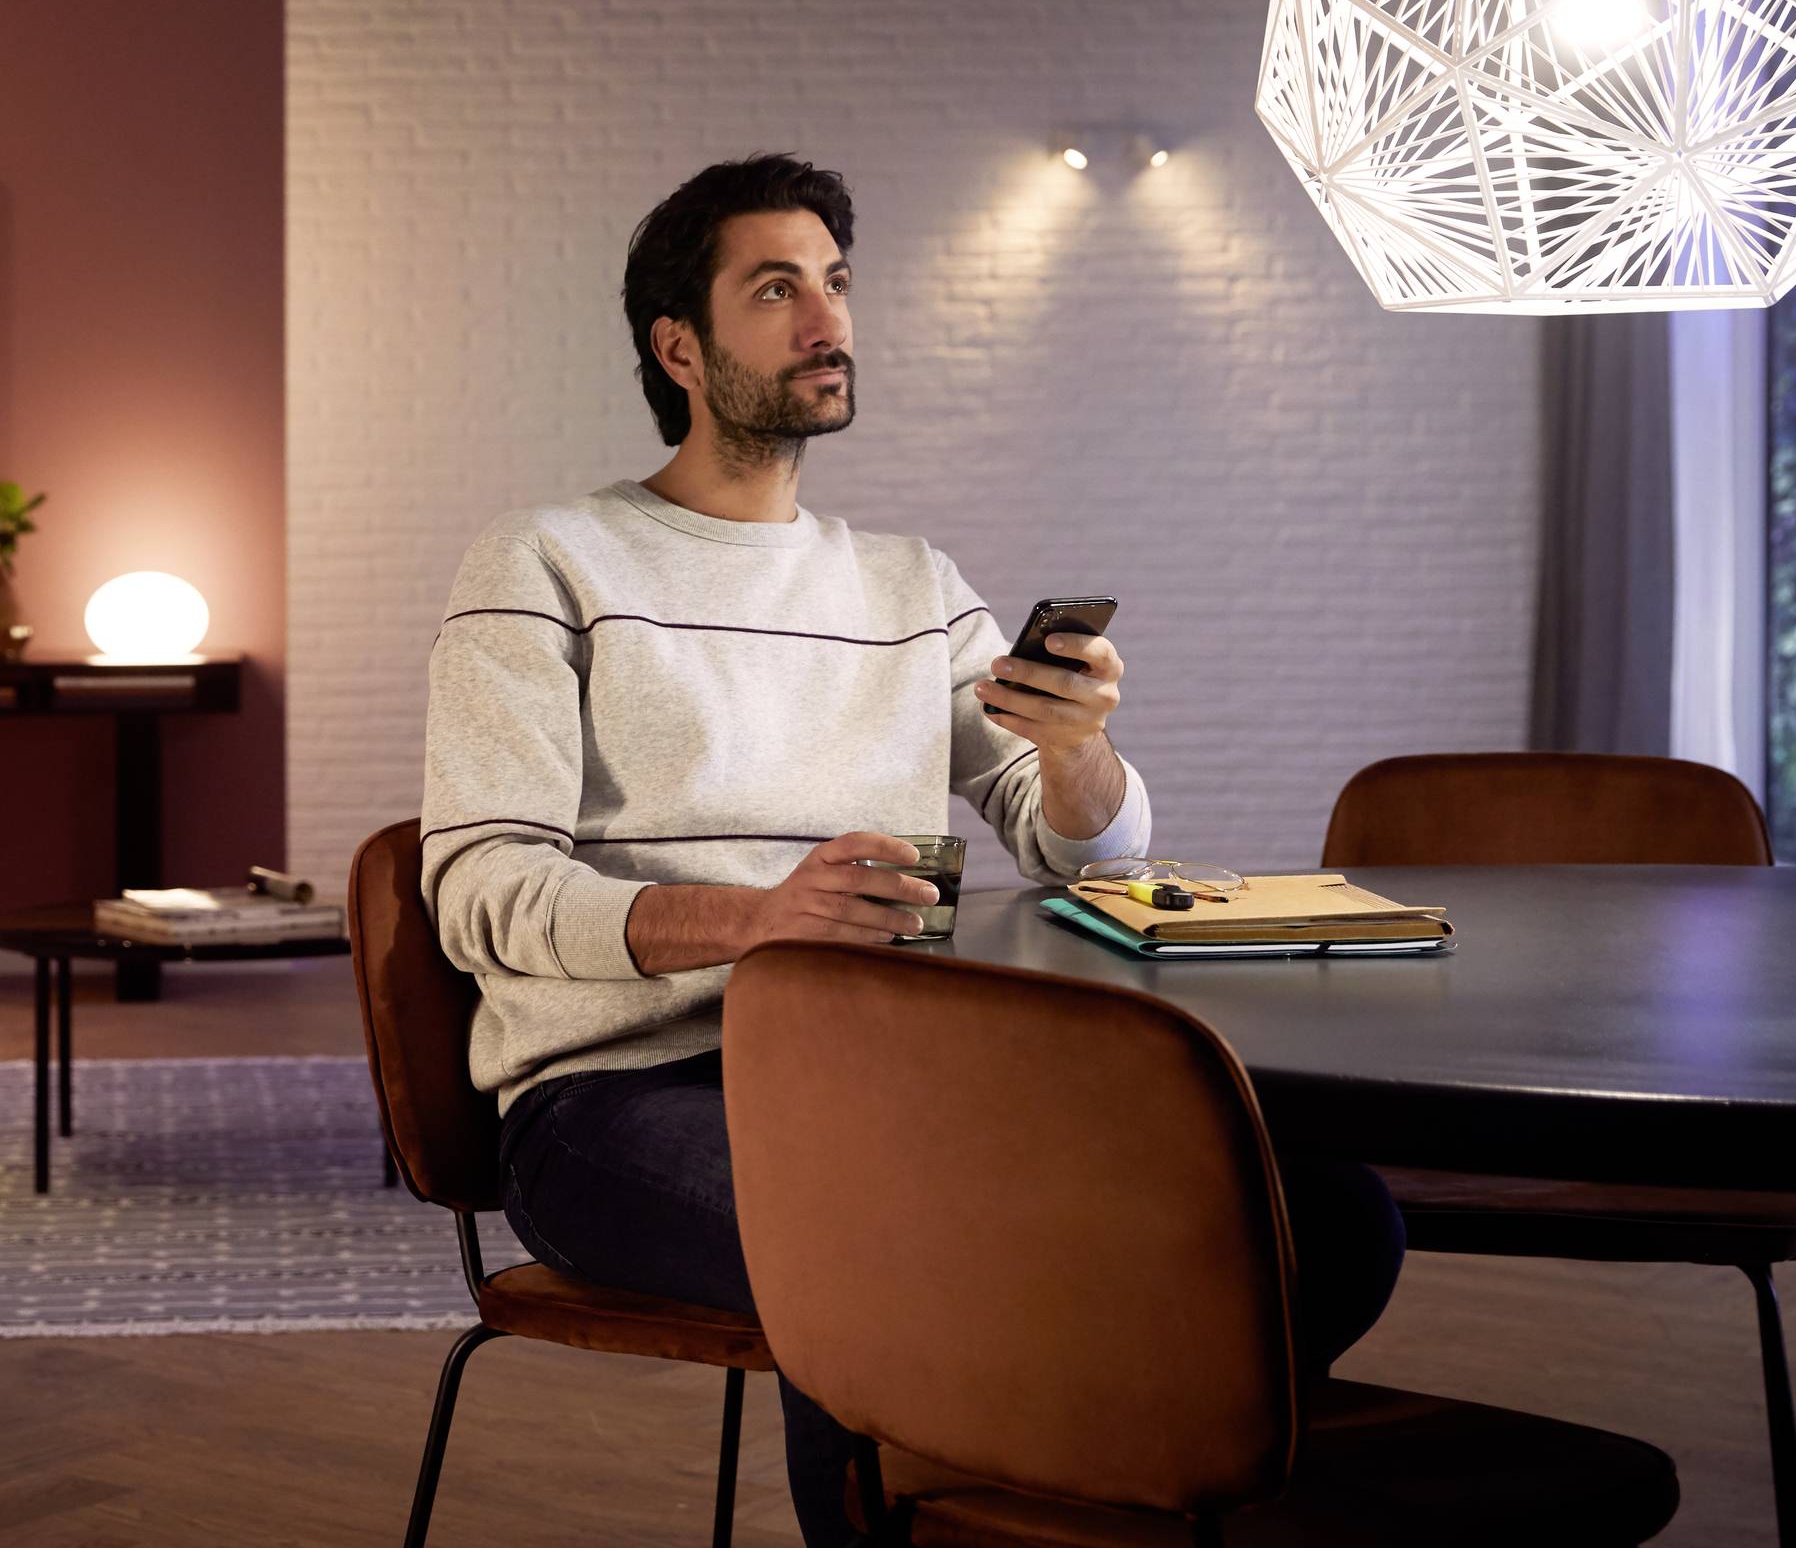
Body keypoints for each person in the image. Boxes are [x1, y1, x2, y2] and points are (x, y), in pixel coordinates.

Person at [418, 153, 1403, 1546]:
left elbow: (1087, 864)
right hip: (618, 1097)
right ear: (680, 348)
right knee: (900, 1241)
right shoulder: (545, 560)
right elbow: (480, 892)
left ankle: (1098, 1510)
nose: (829, 321)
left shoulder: (910, 583)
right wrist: (756, 920)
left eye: (836, 284)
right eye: (778, 289)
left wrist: (1074, 751)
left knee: (1321, 1216)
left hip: (898, 1067)